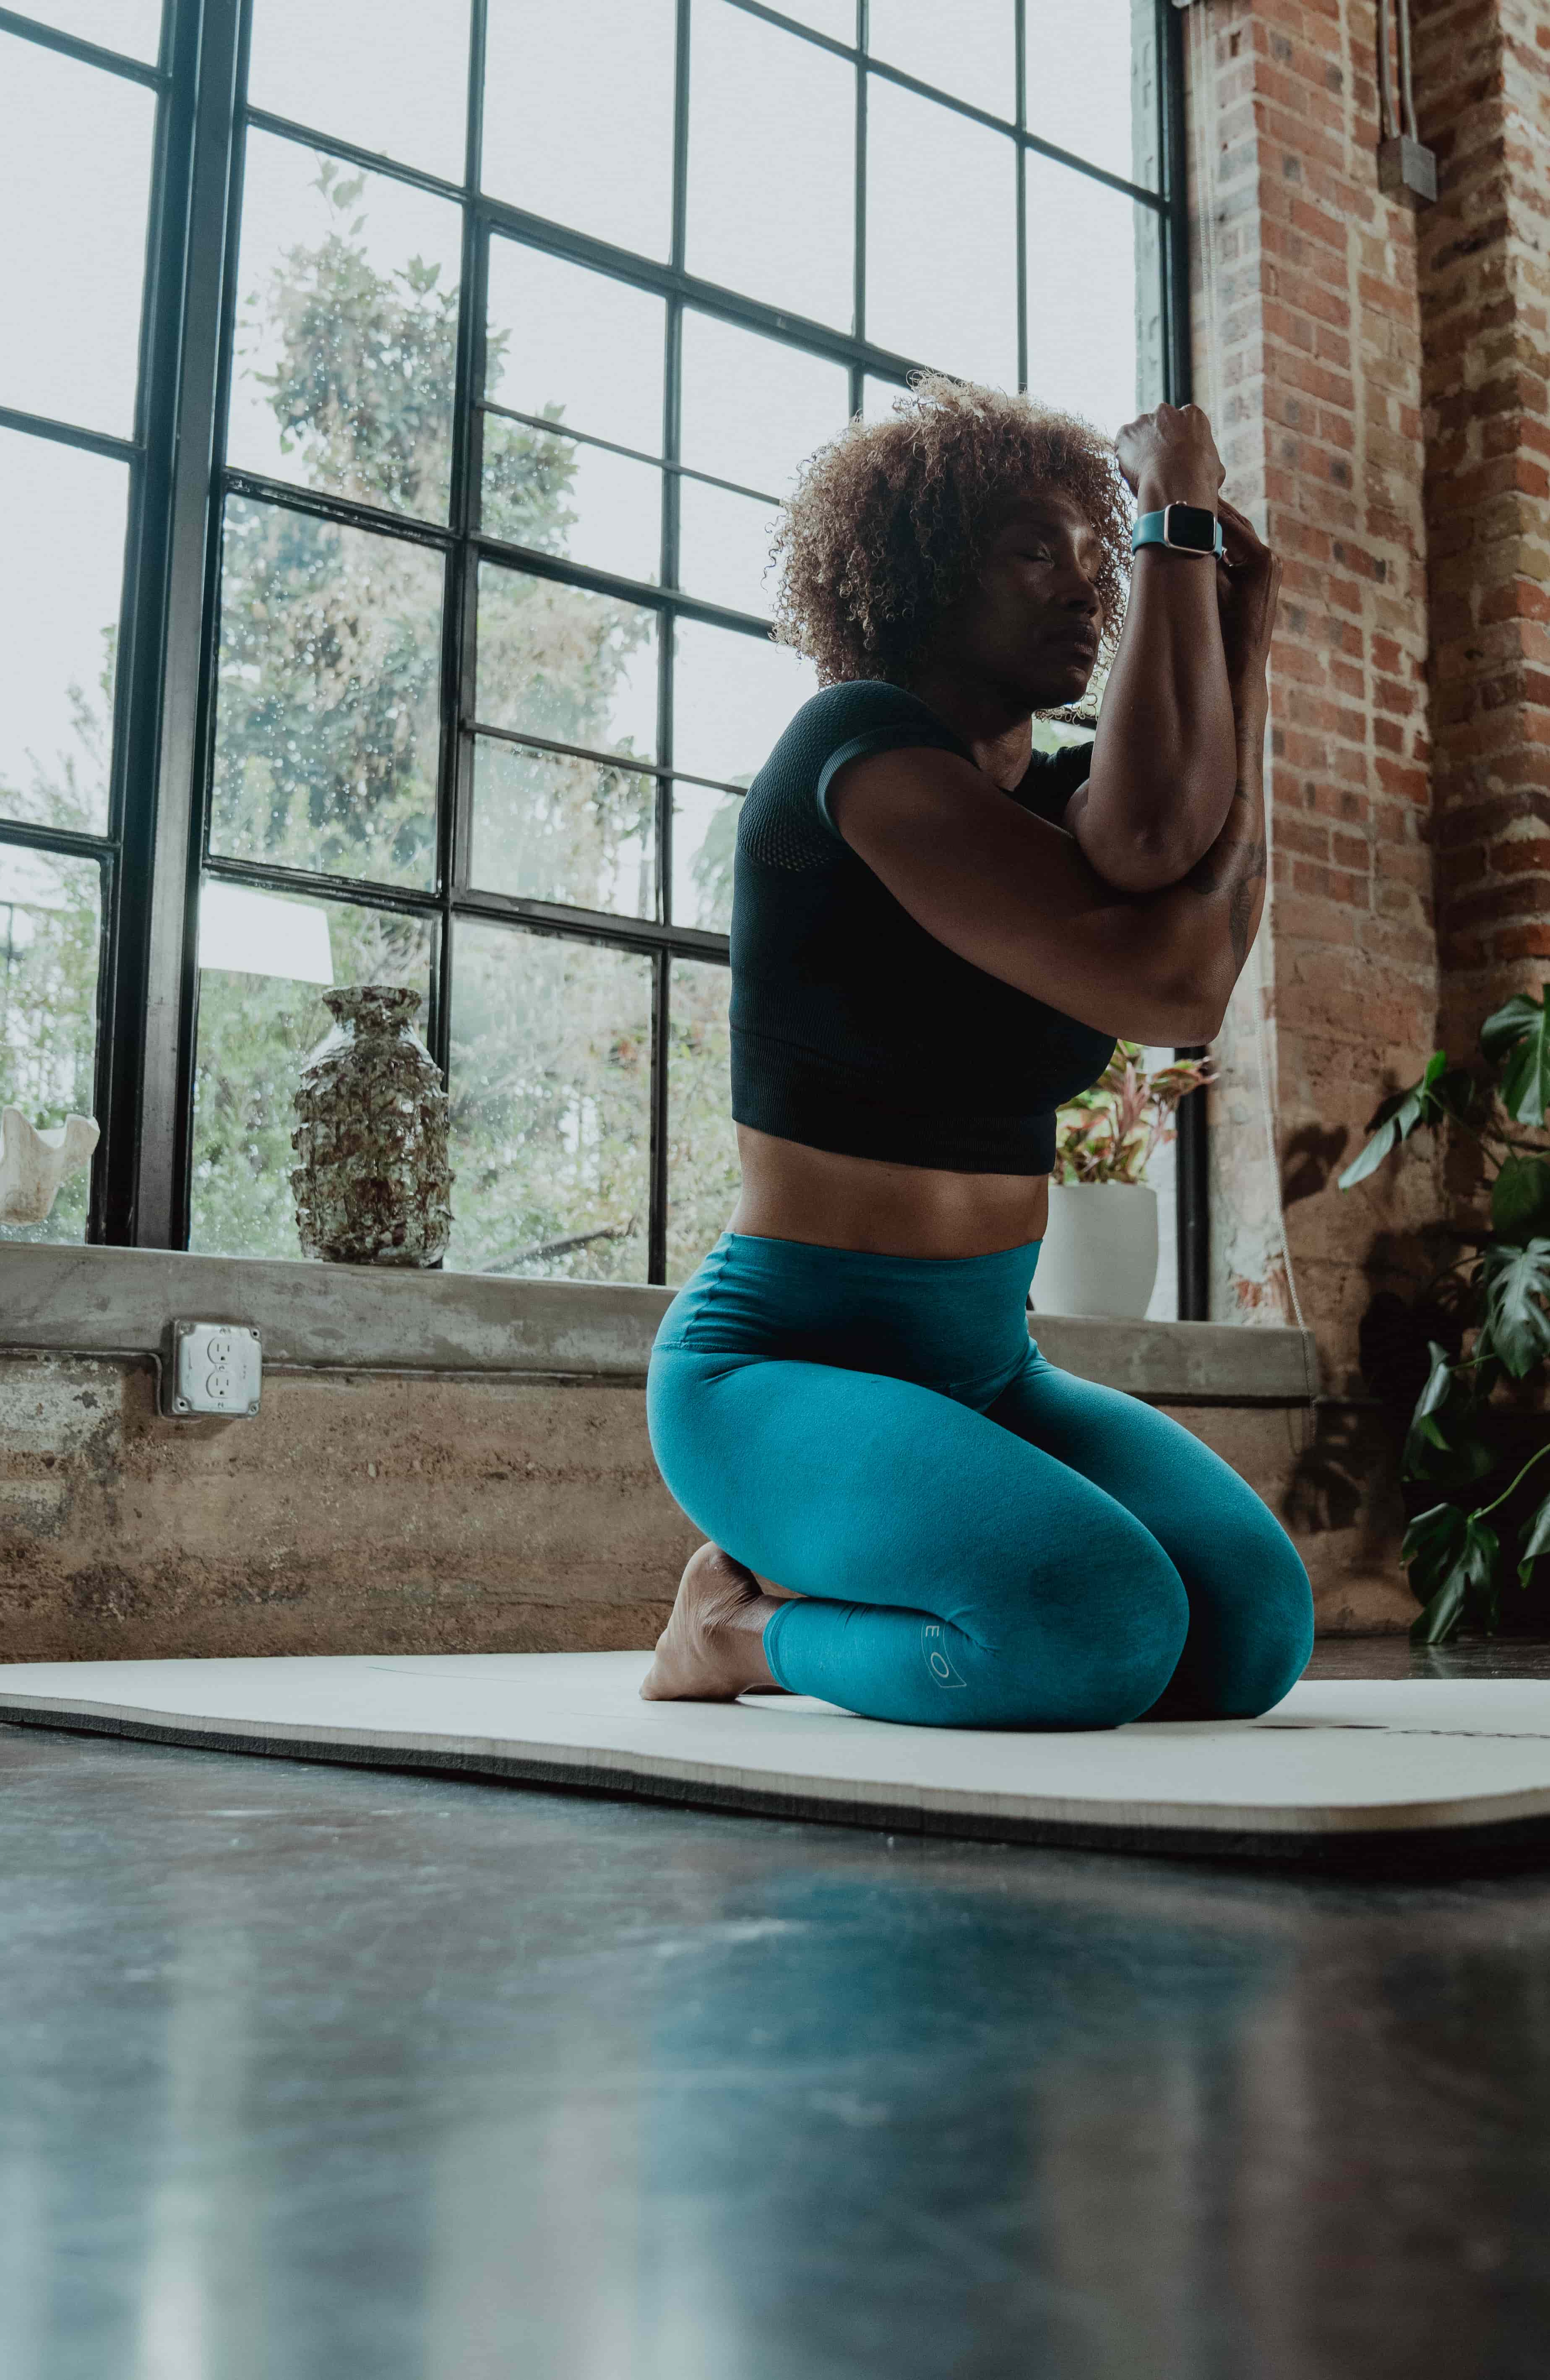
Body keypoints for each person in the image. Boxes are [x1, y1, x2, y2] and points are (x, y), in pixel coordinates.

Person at [637, 379, 1308, 1729]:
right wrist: (1172, 508)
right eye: (1033, 549)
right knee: (1098, 1624)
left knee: (1252, 1630)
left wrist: (1240, 650)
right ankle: (734, 1632)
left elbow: (1164, 842)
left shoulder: (1065, 806)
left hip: (988, 1363)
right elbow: (1173, 977)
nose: (1087, 583)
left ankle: (824, 1593)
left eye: (1098, 552)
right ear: (927, 577)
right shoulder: (853, 751)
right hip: (774, 1367)